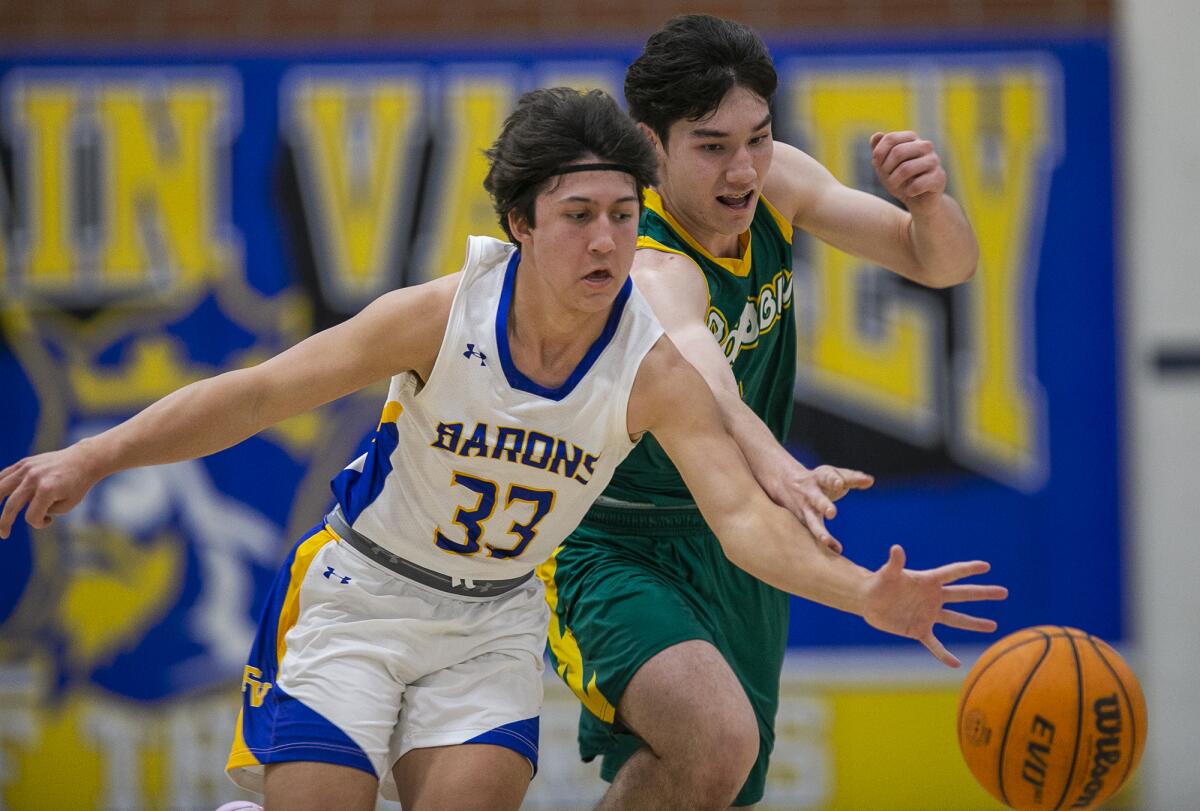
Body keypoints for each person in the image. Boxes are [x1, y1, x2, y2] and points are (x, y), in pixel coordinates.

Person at [0, 88, 1001, 811]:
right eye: (577, 217)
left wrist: (864, 590)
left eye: (620, 214)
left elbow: (743, 522)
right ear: (522, 223)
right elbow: (261, 391)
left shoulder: (647, 366)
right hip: (363, 598)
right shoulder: (444, 315)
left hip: (491, 627)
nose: (606, 241)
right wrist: (94, 456)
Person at [539, 15, 983, 811]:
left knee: (718, 778)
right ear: (650, 147)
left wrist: (927, 202)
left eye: (759, 138)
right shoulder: (645, 256)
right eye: (711, 145)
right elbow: (698, 365)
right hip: (610, 538)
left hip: (735, 528)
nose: (742, 169)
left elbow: (941, 262)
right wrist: (775, 461)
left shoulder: (773, 188)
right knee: (715, 738)